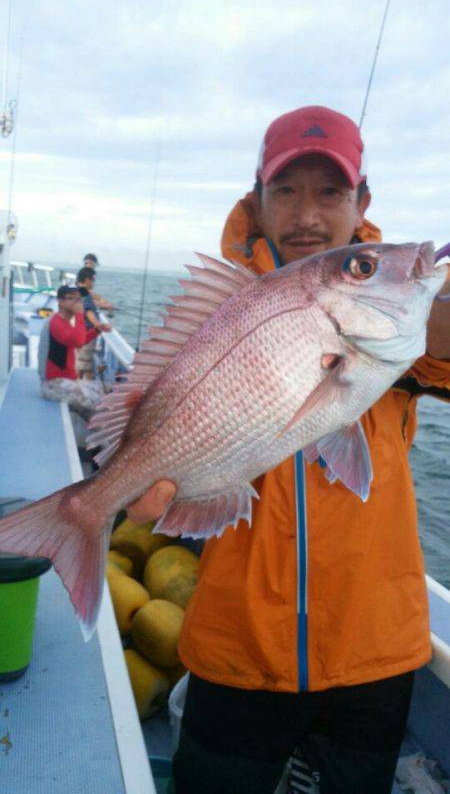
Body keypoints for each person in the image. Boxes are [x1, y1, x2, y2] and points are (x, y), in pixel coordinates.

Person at [127, 106, 450, 793]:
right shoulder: (220, 311)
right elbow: (162, 422)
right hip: (236, 645)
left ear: (362, 202)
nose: (308, 213)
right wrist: (132, 493)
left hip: (376, 651)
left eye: (330, 192)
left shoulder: (398, 314)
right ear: (257, 200)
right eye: (288, 190)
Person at [41, 285, 109, 418]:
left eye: (79, 299)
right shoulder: (56, 323)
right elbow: (77, 341)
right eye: (71, 298)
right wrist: (79, 315)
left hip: (69, 381)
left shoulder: (66, 322)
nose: (77, 302)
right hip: (55, 385)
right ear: (60, 301)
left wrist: (97, 330)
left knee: (109, 391)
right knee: (103, 404)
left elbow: (77, 341)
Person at [76, 266, 112, 380]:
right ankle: (81, 390)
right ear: (87, 280)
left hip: (80, 333)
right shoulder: (85, 297)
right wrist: (102, 326)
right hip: (87, 335)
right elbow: (89, 314)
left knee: (83, 364)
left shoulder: (78, 292)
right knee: (84, 365)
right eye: (93, 280)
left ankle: (80, 388)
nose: (93, 283)